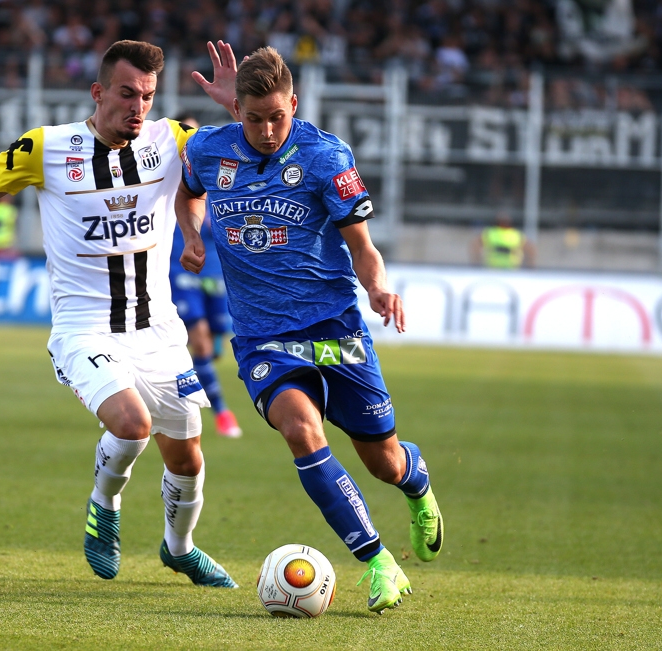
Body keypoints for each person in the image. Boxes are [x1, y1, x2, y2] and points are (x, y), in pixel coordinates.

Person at [0, 40, 242, 588]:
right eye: (126, 94)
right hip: (84, 329)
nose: (137, 107)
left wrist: (234, 113)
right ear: (97, 93)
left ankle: (179, 548)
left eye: (146, 95)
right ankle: (104, 506)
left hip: (159, 330)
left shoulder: (172, 139)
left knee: (187, 459)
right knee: (132, 424)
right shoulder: (44, 148)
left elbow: (221, 167)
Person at [175, 47, 443, 614]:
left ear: (293, 104)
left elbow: (362, 246)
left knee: (384, 462)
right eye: (254, 118)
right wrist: (193, 234)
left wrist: (377, 287)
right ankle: (378, 561)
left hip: (335, 328)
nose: (269, 130)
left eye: (278, 116)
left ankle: (416, 483)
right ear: (237, 112)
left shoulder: (325, 157)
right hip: (262, 338)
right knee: (301, 429)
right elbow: (188, 191)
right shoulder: (206, 148)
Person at [169, 114, 243, 438]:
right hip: (180, 270)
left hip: (216, 272)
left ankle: (189, 374)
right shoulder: (166, 179)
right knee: (199, 341)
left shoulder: (215, 176)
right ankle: (222, 412)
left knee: (214, 344)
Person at [471, 211, 535, 269]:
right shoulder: (491, 232)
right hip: (493, 268)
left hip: (510, 268)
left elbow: (530, 248)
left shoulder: (515, 234)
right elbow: (476, 244)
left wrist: (530, 264)